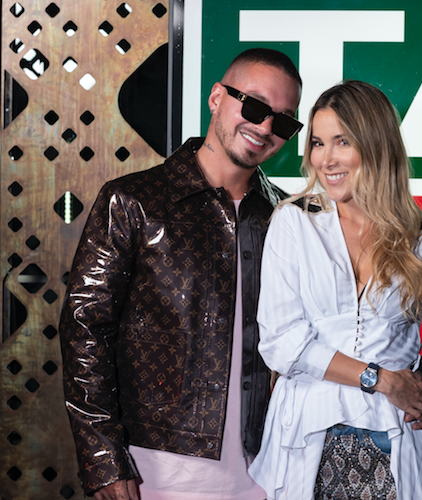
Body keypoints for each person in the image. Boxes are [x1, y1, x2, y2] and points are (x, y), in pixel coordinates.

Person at [59, 48, 303, 500]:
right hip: (154, 471)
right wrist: (103, 457)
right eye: (254, 106)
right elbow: (84, 330)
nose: (266, 127)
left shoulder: (291, 218)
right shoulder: (133, 201)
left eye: (284, 122)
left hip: (272, 470)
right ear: (216, 97)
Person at [248, 80, 422, 500]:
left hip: (396, 440)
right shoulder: (294, 222)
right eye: (318, 143)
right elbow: (281, 342)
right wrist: (383, 380)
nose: (326, 159)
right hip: (306, 439)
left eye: (342, 141)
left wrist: (421, 382)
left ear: (376, 145)